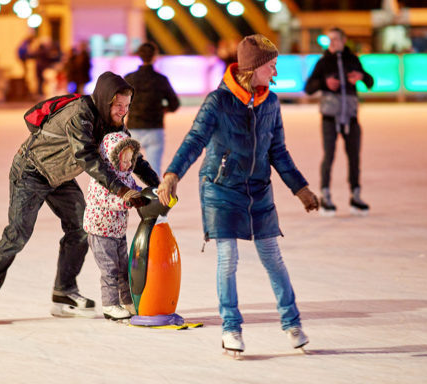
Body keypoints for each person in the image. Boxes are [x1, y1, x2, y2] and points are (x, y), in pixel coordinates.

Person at [157, 34, 319, 354]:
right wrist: (172, 174)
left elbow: (278, 152)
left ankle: (292, 323)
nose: (274, 73)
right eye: (271, 66)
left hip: (258, 189)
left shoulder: (270, 103)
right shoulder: (218, 102)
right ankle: (231, 327)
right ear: (254, 67)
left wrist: (300, 188)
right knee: (228, 258)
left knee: (273, 257)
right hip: (220, 188)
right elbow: (194, 140)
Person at [0, 71, 160, 324]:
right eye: (119, 105)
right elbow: (86, 157)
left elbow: (131, 154)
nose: (123, 111)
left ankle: (63, 292)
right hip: (31, 171)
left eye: (127, 106)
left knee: (81, 228)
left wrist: (157, 184)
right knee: (17, 235)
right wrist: (121, 190)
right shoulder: (80, 115)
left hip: (60, 176)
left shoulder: (113, 123)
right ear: (106, 99)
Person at [303, 27, 373, 216]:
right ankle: (325, 195)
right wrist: (325, 84)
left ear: (343, 40)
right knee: (329, 156)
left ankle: (355, 195)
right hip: (330, 117)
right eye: (329, 40)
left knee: (354, 157)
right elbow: (308, 87)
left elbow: (370, 81)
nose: (332, 43)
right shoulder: (323, 62)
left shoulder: (353, 60)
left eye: (335, 39)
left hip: (350, 117)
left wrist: (361, 77)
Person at [83, 131, 143, 321]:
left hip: (117, 231)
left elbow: (135, 190)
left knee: (124, 269)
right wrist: (127, 202)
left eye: (129, 161)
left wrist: (146, 194)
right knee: (110, 270)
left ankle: (127, 301)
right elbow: (106, 199)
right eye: (123, 161)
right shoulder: (102, 178)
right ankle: (110, 305)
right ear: (112, 159)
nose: (127, 165)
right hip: (100, 232)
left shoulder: (126, 176)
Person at [125, 42, 180, 174]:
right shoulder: (161, 79)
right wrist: (164, 109)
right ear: (155, 56)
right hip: (155, 128)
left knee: (127, 171)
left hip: (134, 127)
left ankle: (129, 195)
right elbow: (174, 103)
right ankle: (155, 194)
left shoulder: (129, 78)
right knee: (154, 173)